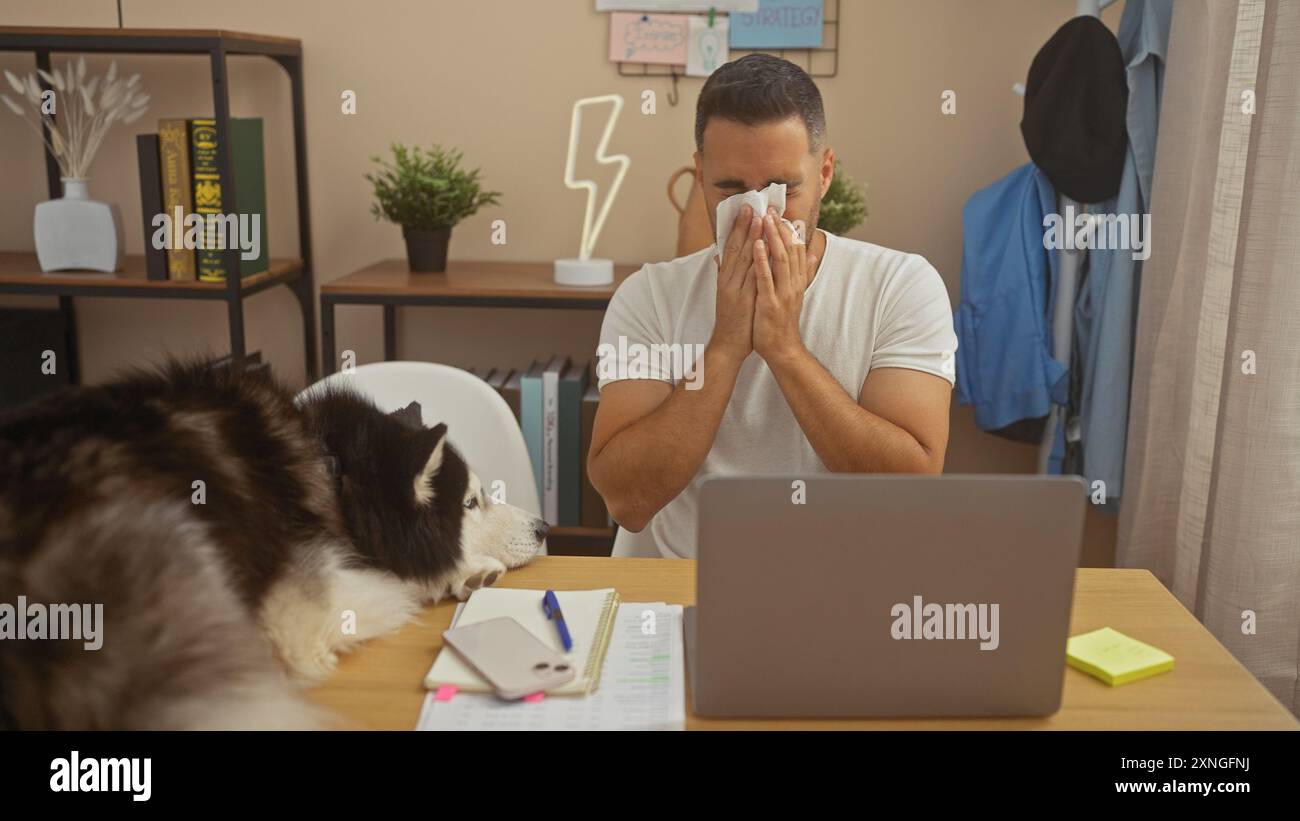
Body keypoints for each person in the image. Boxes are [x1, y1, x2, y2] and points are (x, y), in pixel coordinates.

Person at [588, 54, 958, 558]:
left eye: (782, 189)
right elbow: (627, 501)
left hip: (854, 583)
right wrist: (724, 348)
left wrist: (784, 348)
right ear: (699, 177)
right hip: (692, 584)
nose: (760, 213)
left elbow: (907, 489)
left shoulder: (901, 285)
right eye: (731, 190)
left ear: (825, 172)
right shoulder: (649, 296)